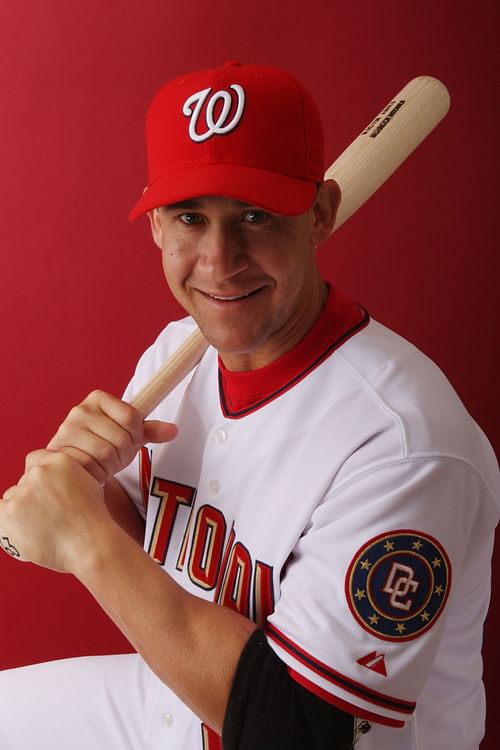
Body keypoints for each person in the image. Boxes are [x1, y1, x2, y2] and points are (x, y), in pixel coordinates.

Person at [0, 61, 498, 750]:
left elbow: (297, 729)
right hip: (170, 706)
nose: (218, 260)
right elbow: (160, 542)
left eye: (255, 216)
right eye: (190, 217)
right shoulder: (179, 353)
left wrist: (85, 542)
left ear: (320, 212)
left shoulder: (405, 442)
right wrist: (81, 498)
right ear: (154, 227)